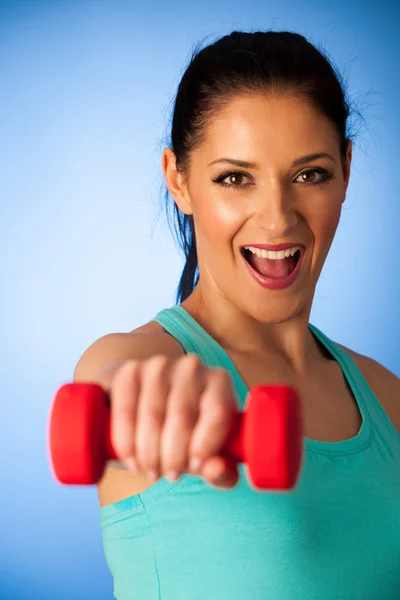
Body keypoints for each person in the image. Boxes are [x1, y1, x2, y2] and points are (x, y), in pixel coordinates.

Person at [73, 30, 400, 600]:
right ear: (179, 179)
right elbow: (112, 380)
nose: (277, 220)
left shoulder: (386, 395)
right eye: (234, 178)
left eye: (309, 174)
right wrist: (147, 402)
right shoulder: (140, 360)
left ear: (346, 170)